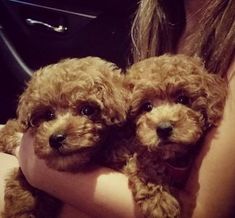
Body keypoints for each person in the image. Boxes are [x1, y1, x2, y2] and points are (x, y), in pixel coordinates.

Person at [0, 0, 234, 217]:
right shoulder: (162, 23)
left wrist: (33, 164)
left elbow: (201, 211)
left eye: (182, 100)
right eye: (147, 106)